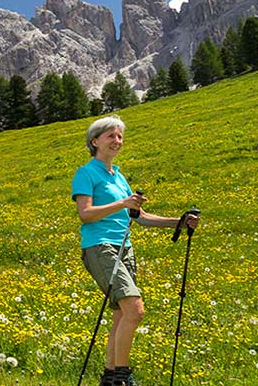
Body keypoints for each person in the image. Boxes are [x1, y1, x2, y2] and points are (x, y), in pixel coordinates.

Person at [71, 115, 199, 386]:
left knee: (122, 313)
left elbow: (139, 216)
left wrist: (179, 221)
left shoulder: (119, 177)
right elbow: (85, 214)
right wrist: (122, 203)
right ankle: (122, 377)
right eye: (111, 136)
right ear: (95, 141)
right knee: (134, 309)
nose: (117, 141)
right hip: (100, 246)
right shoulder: (86, 173)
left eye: (120, 136)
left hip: (124, 247)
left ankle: (109, 377)